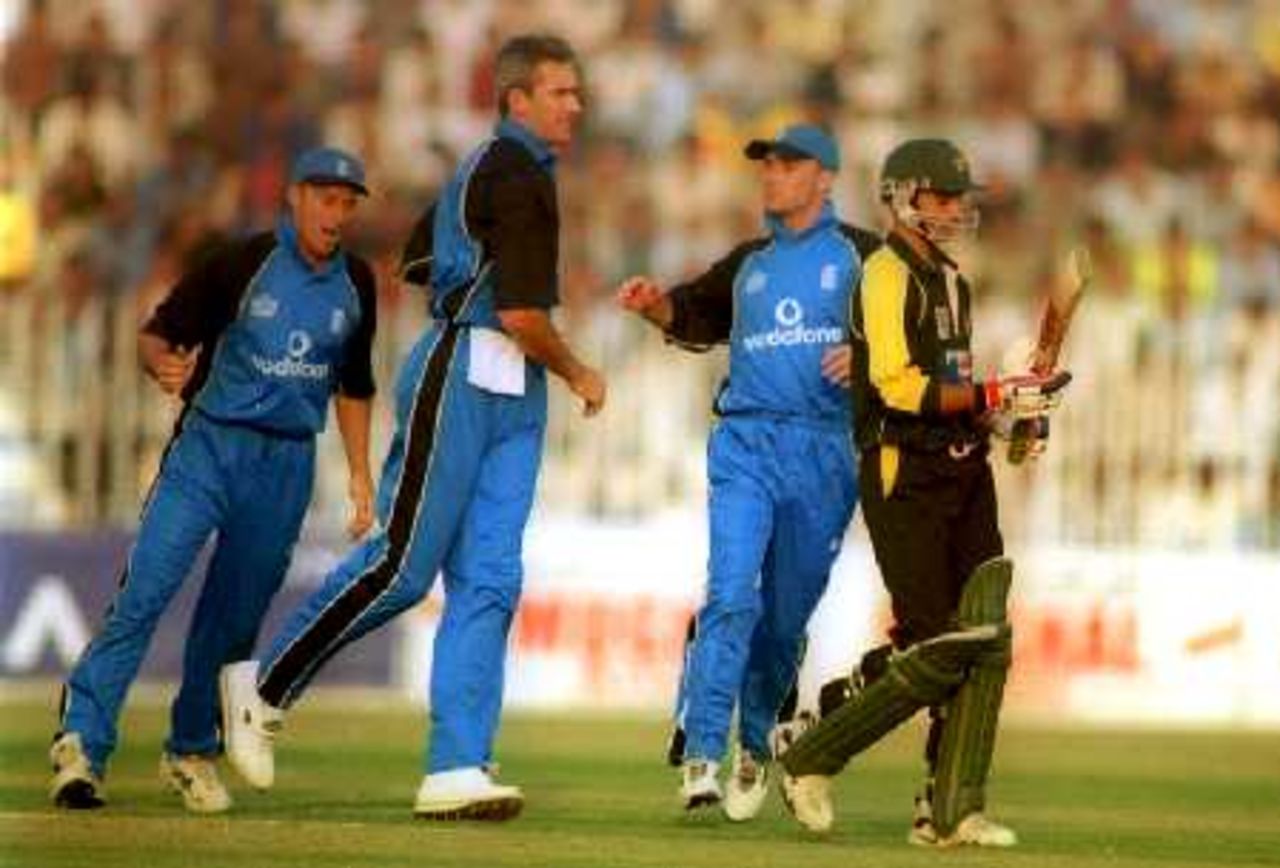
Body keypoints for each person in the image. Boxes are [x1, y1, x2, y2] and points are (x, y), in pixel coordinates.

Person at [219, 33, 605, 822]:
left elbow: (422, 259)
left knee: (491, 581)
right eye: (561, 91)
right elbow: (525, 312)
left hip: (506, 378)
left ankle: (456, 765)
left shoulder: (504, 172)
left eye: (576, 92)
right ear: (517, 99)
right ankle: (260, 688)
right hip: (469, 368)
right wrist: (579, 371)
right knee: (403, 565)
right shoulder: (512, 170)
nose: (576, 104)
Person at [49, 146, 379, 813]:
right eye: (325, 198)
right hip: (210, 446)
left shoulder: (357, 284)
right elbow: (157, 332)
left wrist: (362, 476)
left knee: (234, 621)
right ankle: (82, 742)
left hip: (286, 464)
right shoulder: (243, 263)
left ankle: (190, 749)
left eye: (347, 203)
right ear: (294, 197)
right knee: (146, 590)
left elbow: (355, 384)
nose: (336, 214)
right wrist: (161, 366)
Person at [776, 138, 1069, 844]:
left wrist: (1007, 416)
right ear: (905, 196)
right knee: (939, 641)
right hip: (902, 468)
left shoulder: (953, 281)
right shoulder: (883, 274)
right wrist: (995, 388)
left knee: (984, 639)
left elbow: (954, 392)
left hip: (965, 470)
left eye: (961, 197)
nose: (957, 208)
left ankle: (950, 808)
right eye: (944, 195)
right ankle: (813, 749)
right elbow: (899, 387)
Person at [616, 124, 879, 820]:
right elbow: (694, 315)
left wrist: (869, 354)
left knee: (784, 621)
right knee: (731, 593)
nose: (770, 174)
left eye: (787, 164)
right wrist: (654, 307)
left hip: (824, 454)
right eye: (765, 164)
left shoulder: (863, 257)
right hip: (745, 443)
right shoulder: (749, 263)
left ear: (824, 177)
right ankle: (703, 752)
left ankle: (757, 741)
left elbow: (907, 333)